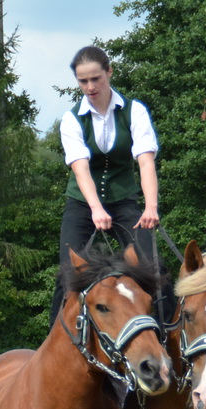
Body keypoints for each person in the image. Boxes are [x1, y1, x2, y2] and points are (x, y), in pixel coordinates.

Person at [55, 46, 161, 309]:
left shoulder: (134, 111)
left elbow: (145, 162)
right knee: (68, 275)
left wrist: (150, 207)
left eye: (96, 78)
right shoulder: (71, 119)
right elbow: (80, 169)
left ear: (109, 72)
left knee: (151, 269)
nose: (90, 87)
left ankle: (165, 331)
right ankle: (56, 334)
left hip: (124, 201)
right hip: (83, 204)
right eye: (83, 81)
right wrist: (96, 208)